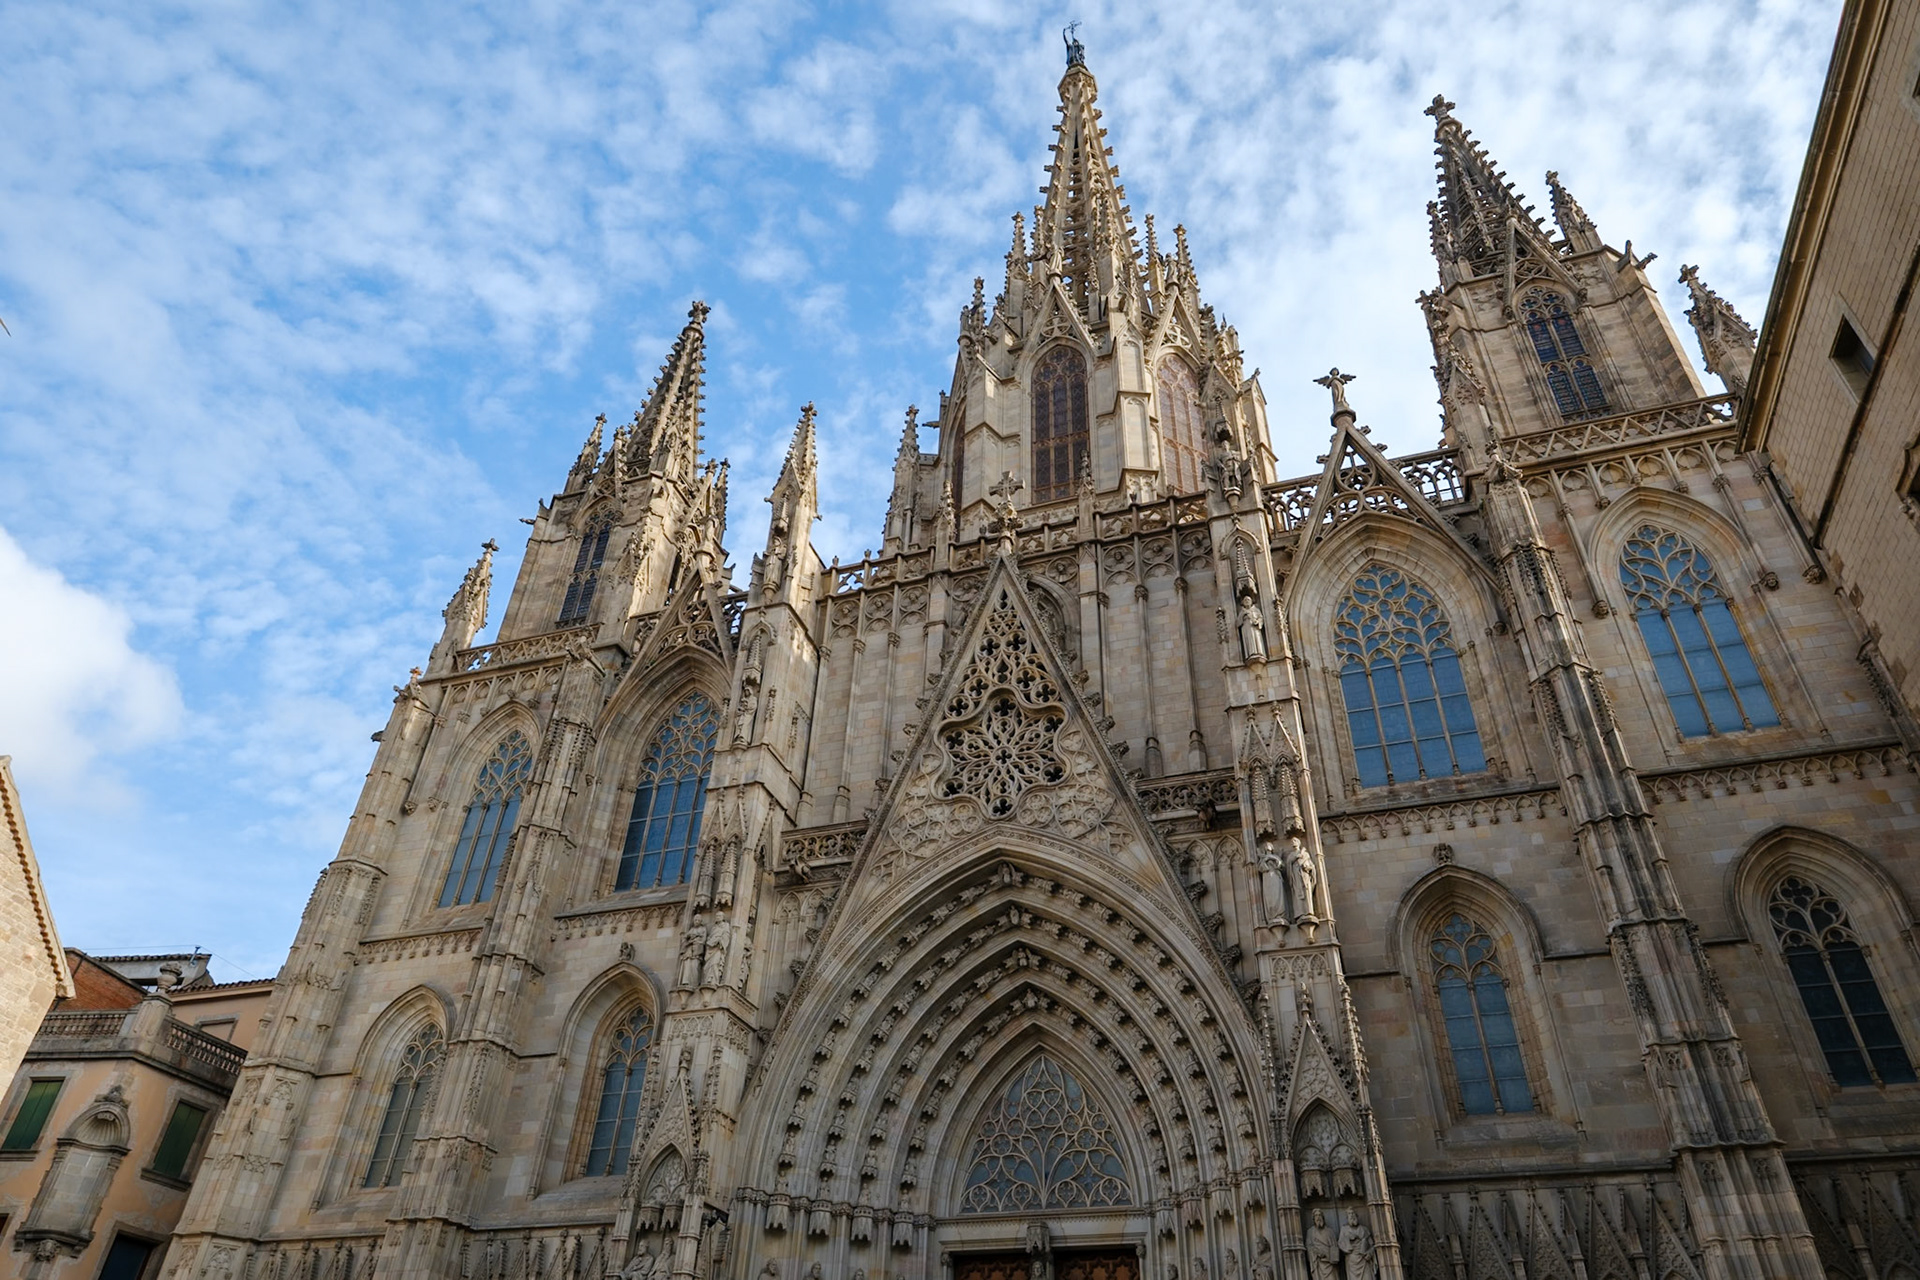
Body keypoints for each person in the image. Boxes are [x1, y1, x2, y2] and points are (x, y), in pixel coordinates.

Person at [1339, 1210, 1377, 1280]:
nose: (1352, 1215)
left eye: (1353, 1213)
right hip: (1352, 1261)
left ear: (1357, 1216)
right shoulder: (1344, 1230)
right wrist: (1348, 1240)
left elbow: (1372, 1245)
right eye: (1350, 1214)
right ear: (1347, 1218)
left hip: (1364, 1260)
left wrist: (1369, 1253)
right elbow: (1341, 1244)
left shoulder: (1364, 1229)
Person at [1307, 1207, 1342, 1280]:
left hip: (1329, 1263)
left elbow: (1335, 1246)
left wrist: (1332, 1257)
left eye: (1320, 1215)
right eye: (1316, 1215)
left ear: (1323, 1217)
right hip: (1318, 1262)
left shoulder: (1330, 1231)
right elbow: (1309, 1246)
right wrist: (1317, 1252)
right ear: (1313, 1219)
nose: (1318, 1217)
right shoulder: (1310, 1232)